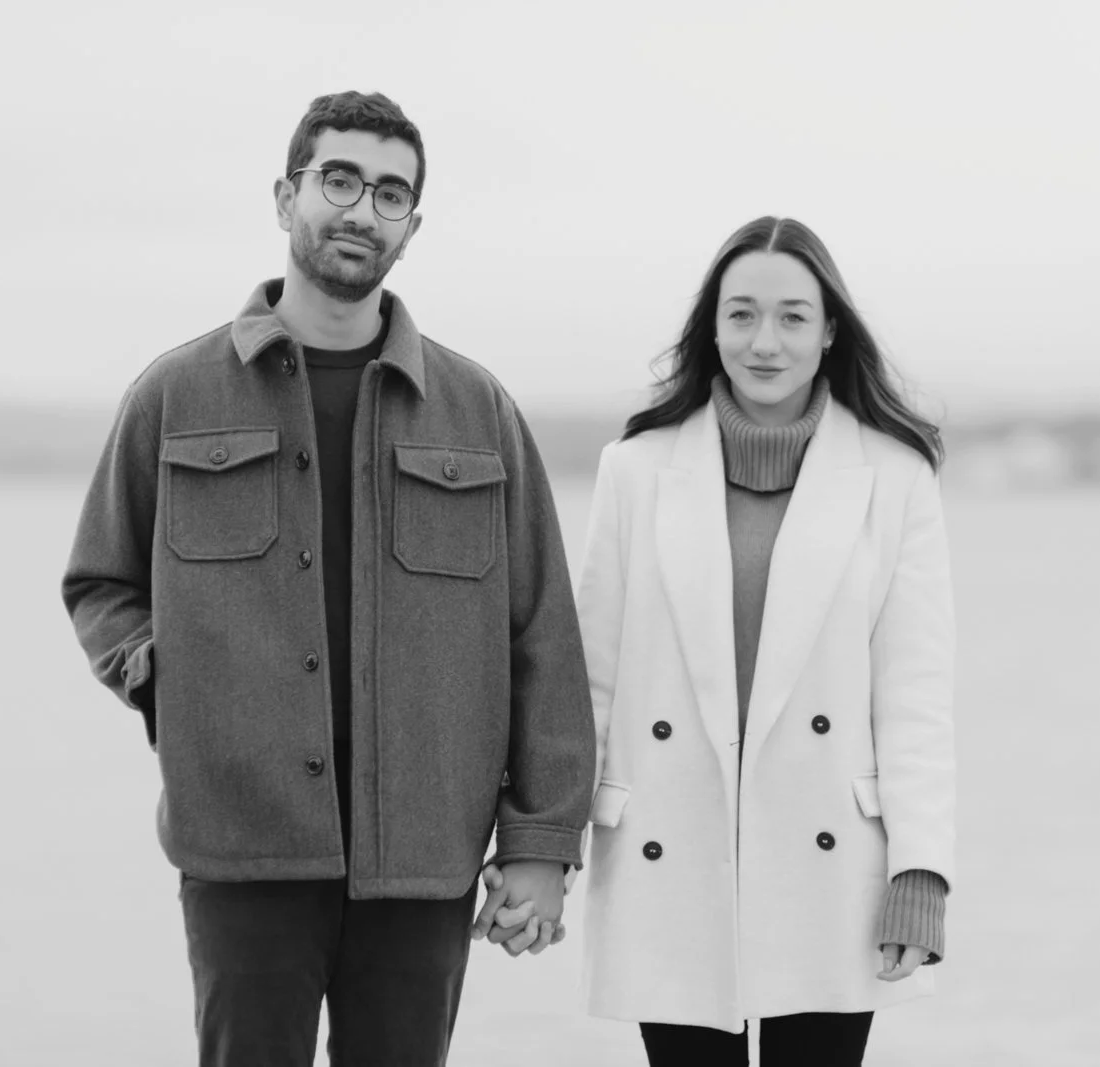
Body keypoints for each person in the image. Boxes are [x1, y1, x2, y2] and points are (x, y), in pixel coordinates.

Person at [60, 90, 594, 1067]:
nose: (361, 210)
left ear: (412, 226)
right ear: (285, 195)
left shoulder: (479, 412)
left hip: (425, 854)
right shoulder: (174, 396)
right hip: (242, 845)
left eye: (390, 193)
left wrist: (540, 842)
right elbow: (100, 580)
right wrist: (167, 682)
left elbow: (543, 635)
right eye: (339, 180)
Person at [574, 216, 955, 1065]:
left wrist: (920, 872)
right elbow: (591, 681)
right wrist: (546, 849)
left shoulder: (896, 478)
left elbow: (915, 696)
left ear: (828, 333)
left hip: (831, 864)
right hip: (666, 849)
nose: (765, 342)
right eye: (742, 314)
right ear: (712, 328)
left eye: (791, 316)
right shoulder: (634, 470)